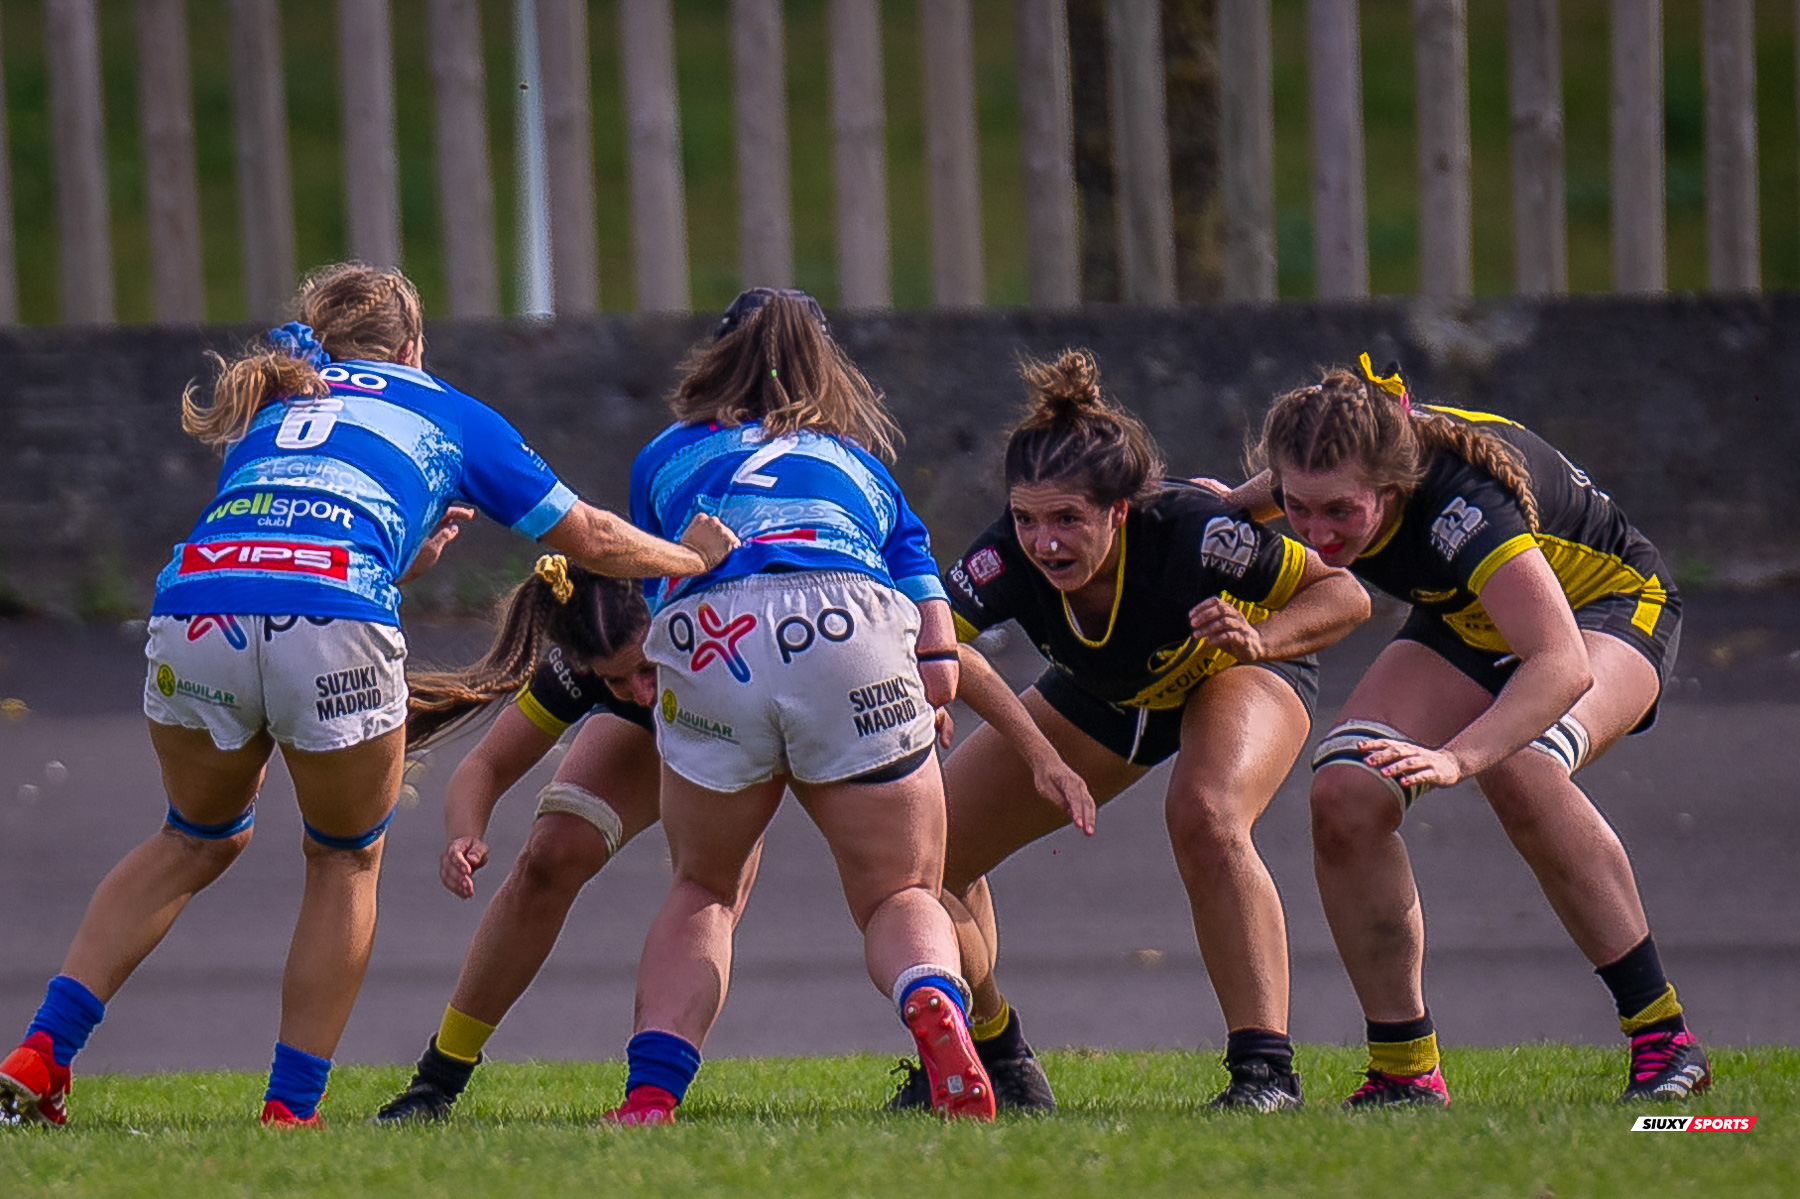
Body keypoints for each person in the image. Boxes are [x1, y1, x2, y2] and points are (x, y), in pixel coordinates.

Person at [0, 263, 736, 1129]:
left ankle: (41, 1052)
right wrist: (691, 557)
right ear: (413, 345)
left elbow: (282, 524)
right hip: (333, 617)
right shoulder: (449, 411)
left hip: (195, 609)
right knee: (343, 857)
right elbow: (592, 537)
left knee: (192, 836)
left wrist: (408, 555)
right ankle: (290, 1111)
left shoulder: (273, 403)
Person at [886, 350, 1370, 1114]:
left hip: (1230, 664)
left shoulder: (1192, 533)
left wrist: (1261, 639)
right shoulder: (1002, 557)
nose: (1044, 543)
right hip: (1108, 694)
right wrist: (945, 700)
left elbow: (1343, 595)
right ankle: (995, 1052)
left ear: (1119, 510)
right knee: (921, 856)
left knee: (1206, 815)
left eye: (1068, 519)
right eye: (1027, 519)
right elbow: (934, 648)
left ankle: (1264, 1075)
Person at [1230, 354, 1705, 1106]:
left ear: (1390, 486)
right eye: (1300, 508)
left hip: (1604, 610)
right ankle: (1405, 1071)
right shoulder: (1334, 475)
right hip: (1475, 619)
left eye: (1340, 513)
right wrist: (1210, 505)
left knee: (1522, 764)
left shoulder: (1465, 510)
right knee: (1346, 794)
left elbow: (1559, 664)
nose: (1318, 534)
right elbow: (1261, 495)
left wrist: (1459, 755)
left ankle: (1665, 1039)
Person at [608, 287, 1002, 1124]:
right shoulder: (859, 463)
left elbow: (657, 583)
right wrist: (923, 700)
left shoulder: (664, 455)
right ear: (828, 365)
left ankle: (650, 1096)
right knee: (902, 890)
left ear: (716, 359)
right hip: (848, 622)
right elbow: (935, 631)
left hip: (716, 629)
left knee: (704, 887)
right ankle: (933, 998)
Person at [373, 555, 762, 1122]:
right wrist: (464, 835)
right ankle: (436, 1082)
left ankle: (936, 1046)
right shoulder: (582, 667)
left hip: (746, 710)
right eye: (615, 680)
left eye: (649, 669)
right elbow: (485, 766)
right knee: (548, 858)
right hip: (671, 728)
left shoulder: (714, 617)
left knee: (715, 886)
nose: (639, 691)